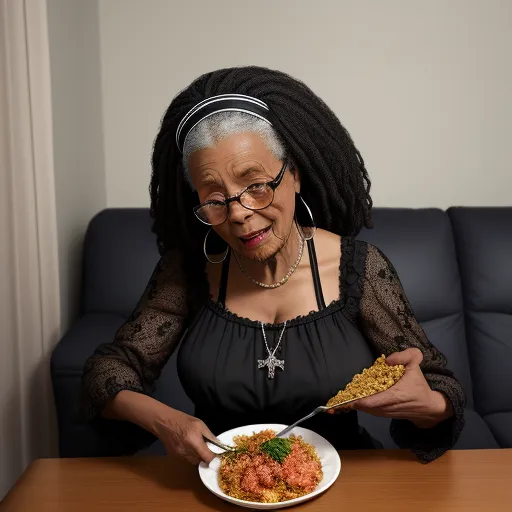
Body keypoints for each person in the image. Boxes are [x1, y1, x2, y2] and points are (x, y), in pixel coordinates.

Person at [81, 66, 465, 465]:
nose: (240, 213)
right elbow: (104, 371)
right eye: (214, 198)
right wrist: (167, 423)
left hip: (345, 484)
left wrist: (430, 407)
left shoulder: (359, 268)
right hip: (224, 481)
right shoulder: (189, 270)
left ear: (294, 175)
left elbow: (441, 389)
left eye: (257, 185)